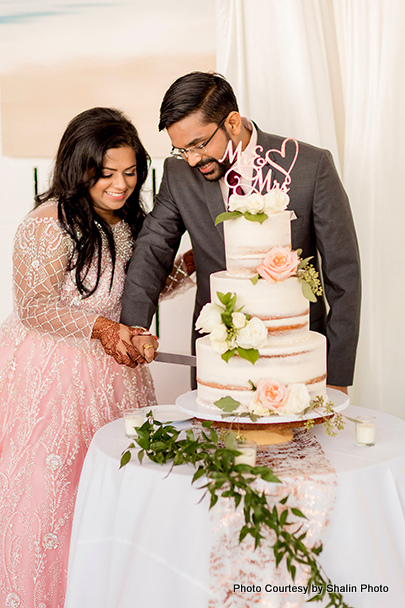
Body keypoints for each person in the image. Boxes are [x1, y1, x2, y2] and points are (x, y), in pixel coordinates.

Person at [0, 107, 159, 607]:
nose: (121, 185)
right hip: (51, 378)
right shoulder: (46, 224)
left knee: (114, 489)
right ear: (78, 167)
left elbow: (133, 287)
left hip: (112, 375)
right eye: (106, 173)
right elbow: (34, 306)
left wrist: (193, 267)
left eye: (130, 172)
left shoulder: (128, 219)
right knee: (49, 495)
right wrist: (103, 328)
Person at [120, 71, 361, 394]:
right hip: (219, 360)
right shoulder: (179, 173)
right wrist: (135, 323)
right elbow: (153, 247)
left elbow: (343, 275)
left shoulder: (310, 167)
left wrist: (337, 375)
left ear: (233, 122)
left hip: (296, 356)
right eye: (181, 150)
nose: (192, 159)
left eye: (199, 145)